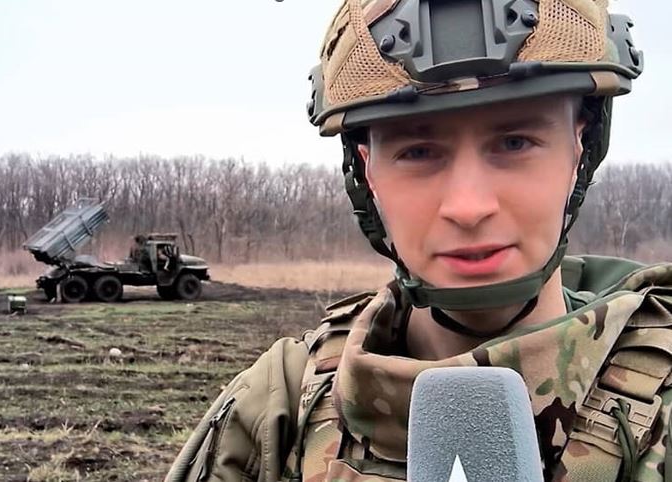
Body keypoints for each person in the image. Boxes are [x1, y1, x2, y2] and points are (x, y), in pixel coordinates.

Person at [168, 1, 672, 480]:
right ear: (367, 173)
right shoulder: (275, 413)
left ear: (580, 149)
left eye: (515, 142)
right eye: (418, 151)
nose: (468, 207)